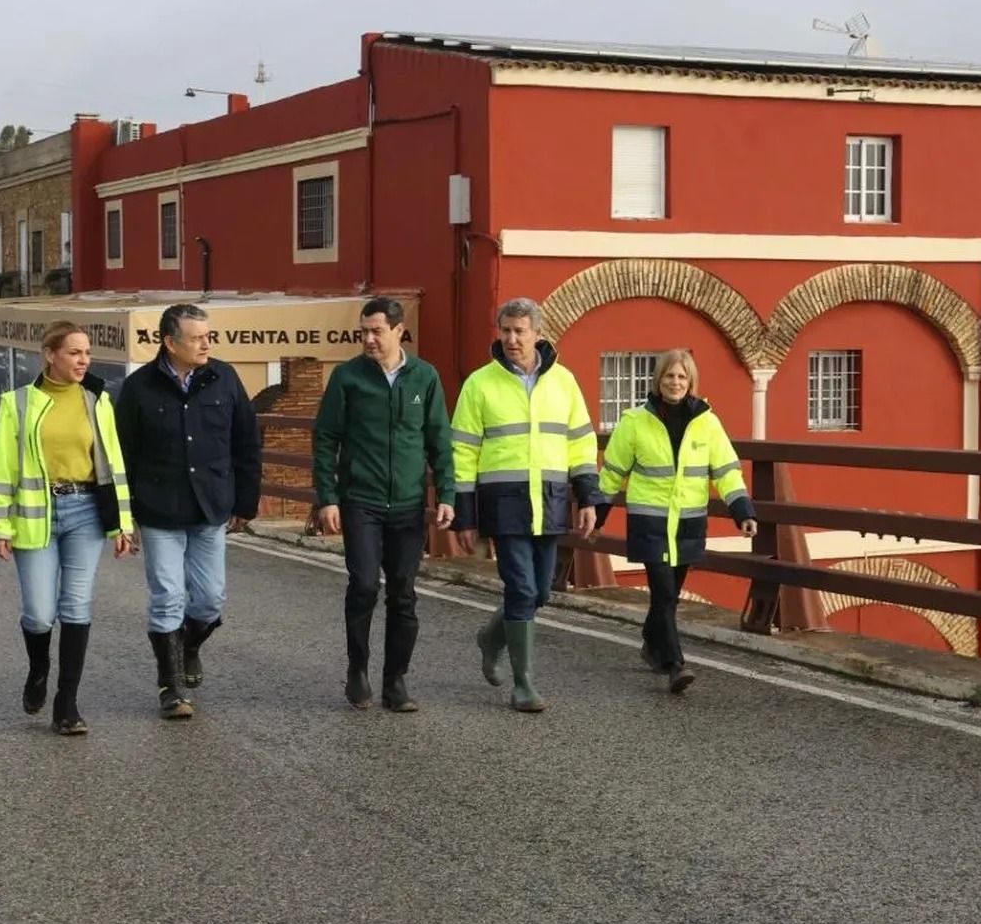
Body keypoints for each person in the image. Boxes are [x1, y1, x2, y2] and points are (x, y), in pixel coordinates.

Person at [0, 322, 134, 734]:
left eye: (87, 353)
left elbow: (114, 464)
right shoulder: (17, 403)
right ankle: (38, 669)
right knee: (39, 613)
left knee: (77, 606)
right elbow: (1, 469)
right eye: (74, 352)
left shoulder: (98, 400)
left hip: (87, 512)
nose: (84, 360)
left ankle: (66, 704)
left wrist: (122, 523)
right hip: (35, 515)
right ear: (50, 355)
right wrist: (0, 524)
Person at [115, 304, 262, 720]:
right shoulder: (139, 387)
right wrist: (124, 516)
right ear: (169, 342)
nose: (206, 344)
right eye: (197, 338)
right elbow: (123, 454)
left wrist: (245, 503)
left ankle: (188, 646)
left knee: (211, 599)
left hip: (210, 506)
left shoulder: (225, 378)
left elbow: (247, 442)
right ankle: (172, 687)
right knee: (167, 596)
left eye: (208, 336)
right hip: (158, 509)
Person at [452, 297, 599, 712]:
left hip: (549, 500)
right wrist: (465, 514)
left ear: (538, 334)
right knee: (521, 588)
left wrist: (588, 497)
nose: (512, 339)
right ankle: (524, 684)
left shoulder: (564, 382)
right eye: (506, 330)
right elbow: (462, 451)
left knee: (541, 592)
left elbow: (581, 443)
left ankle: (490, 638)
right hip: (504, 503)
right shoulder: (480, 384)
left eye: (520, 331)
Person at [312, 297, 455, 712]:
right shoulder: (348, 377)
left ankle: (396, 681)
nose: (369, 339)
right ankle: (357, 669)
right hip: (361, 501)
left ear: (398, 330)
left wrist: (447, 494)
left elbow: (439, 440)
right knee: (363, 585)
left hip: (408, 504)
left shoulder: (425, 377)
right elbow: (325, 438)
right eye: (364, 332)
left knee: (403, 593)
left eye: (376, 331)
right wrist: (328, 498)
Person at [591, 349, 756, 693]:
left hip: (687, 523)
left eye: (682, 376)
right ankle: (675, 665)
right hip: (650, 522)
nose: (675, 382)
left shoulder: (707, 422)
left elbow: (726, 471)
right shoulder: (635, 421)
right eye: (669, 375)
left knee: (669, 596)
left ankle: (652, 641)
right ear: (658, 380)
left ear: (691, 381)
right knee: (664, 592)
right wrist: (598, 515)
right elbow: (612, 473)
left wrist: (742, 510)